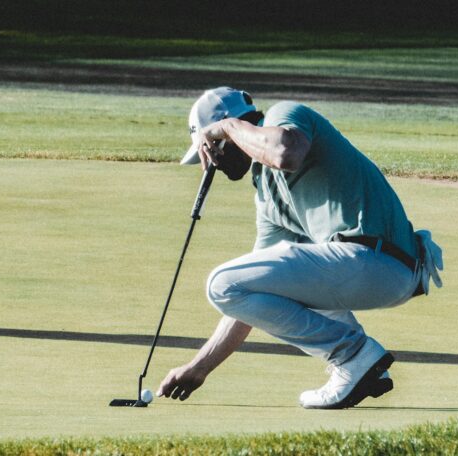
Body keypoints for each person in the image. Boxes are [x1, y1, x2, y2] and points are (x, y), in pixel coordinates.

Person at [156, 87, 443, 409]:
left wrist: (227, 127)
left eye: (210, 149)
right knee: (237, 285)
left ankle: (353, 357)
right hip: (373, 269)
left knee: (220, 283)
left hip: (373, 259)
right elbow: (252, 291)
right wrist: (200, 367)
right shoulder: (266, 193)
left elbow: (285, 154)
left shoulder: (285, 114)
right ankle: (366, 371)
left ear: (225, 131)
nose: (211, 163)